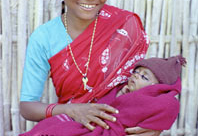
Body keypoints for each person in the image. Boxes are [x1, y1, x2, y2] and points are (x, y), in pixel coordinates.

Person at [19, 0, 161, 135]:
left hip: (120, 127)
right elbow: (28, 106)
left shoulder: (125, 27)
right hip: (71, 127)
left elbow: (149, 87)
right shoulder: (44, 38)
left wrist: (154, 124)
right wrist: (70, 110)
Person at [19, 55, 186, 136]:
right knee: (57, 125)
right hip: (91, 121)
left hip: (109, 131)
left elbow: (169, 107)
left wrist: (155, 127)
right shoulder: (122, 88)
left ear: (157, 88)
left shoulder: (156, 101)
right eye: (136, 72)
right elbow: (108, 104)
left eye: (144, 77)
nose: (135, 76)